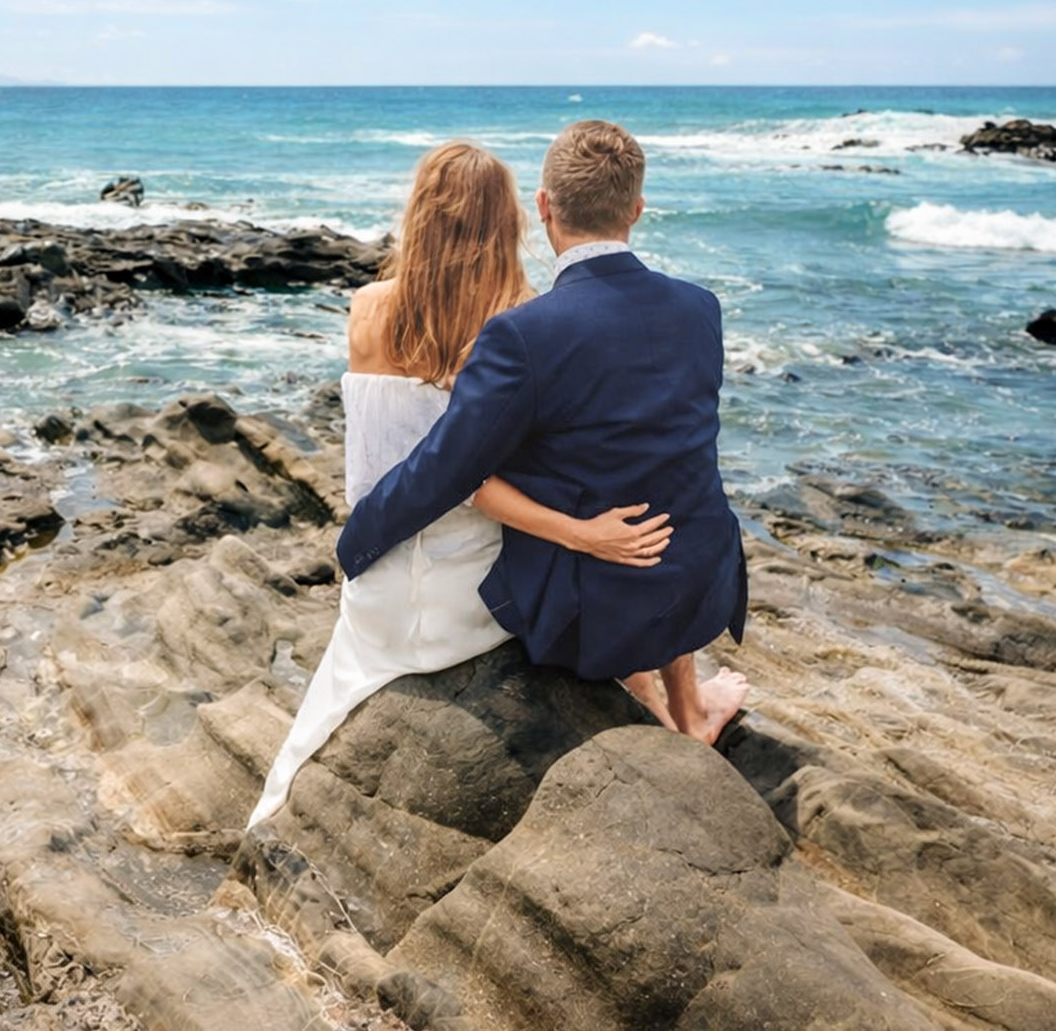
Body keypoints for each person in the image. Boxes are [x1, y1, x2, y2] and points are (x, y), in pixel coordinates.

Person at [248, 140, 675, 828]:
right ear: (511, 223)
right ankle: (667, 704)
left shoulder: (365, 308)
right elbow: (476, 481)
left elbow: (390, 468)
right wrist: (584, 533)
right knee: (613, 518)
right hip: (470, 607)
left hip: (377, 591)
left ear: (418, 215)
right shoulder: (526, 324)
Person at [335, 119, 749, 747]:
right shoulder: (701, 306)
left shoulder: (526, 332)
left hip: (597, 607)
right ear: (637, 209)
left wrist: (357, 545)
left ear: (546, 206)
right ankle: (687, 709)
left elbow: (450, 468)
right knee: (639, 463)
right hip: (702, 580)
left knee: (571, 475)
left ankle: (670, 712)